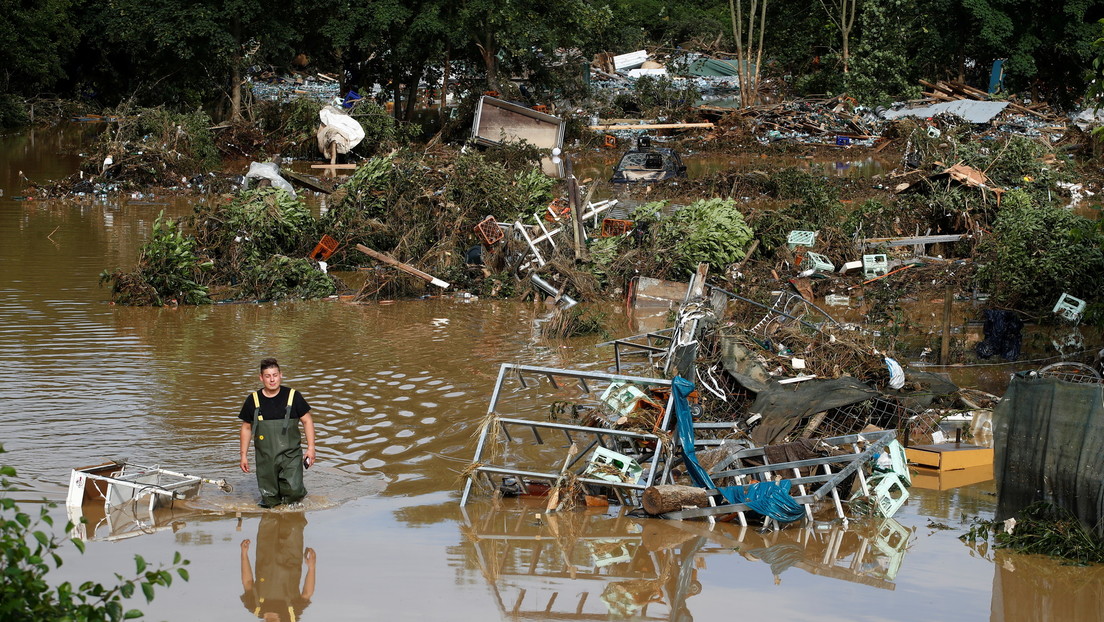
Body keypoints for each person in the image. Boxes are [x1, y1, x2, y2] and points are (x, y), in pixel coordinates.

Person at [239, 358, 316, 508]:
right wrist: (243, 455)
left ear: (281, 375)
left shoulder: (293, 396)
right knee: (269, 498)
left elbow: (307, 421)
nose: (272, 379)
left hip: (291, 455)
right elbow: (246, 428)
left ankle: (292, 519)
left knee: (294, 492)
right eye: (267, 376)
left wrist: (311, 448)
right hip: (265, 457)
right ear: (261, 378)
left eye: (275, 375)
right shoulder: (253, 400)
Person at [240, 512, 316, 621]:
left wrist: (244, 554)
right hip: (291, 555)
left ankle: (270, 497)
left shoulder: (255, 607)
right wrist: (312, 568)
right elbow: (307, 594)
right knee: (295, 520)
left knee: (269, 515)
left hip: (266, 552)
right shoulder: (292, 614)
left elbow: (248, 582)